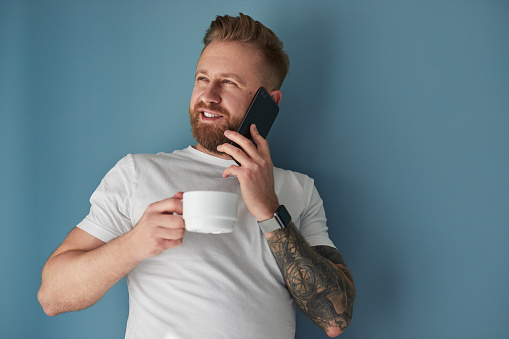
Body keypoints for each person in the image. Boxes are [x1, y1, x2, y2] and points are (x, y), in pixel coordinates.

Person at [38, 13, 355, 338]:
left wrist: (269, 210)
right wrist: (134, 244)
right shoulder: (137, 173)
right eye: (202, 78)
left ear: (269, 102)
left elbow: (336, 319)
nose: (209, 95)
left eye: (229, 82)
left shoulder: (299, 189)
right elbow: (52, 296)